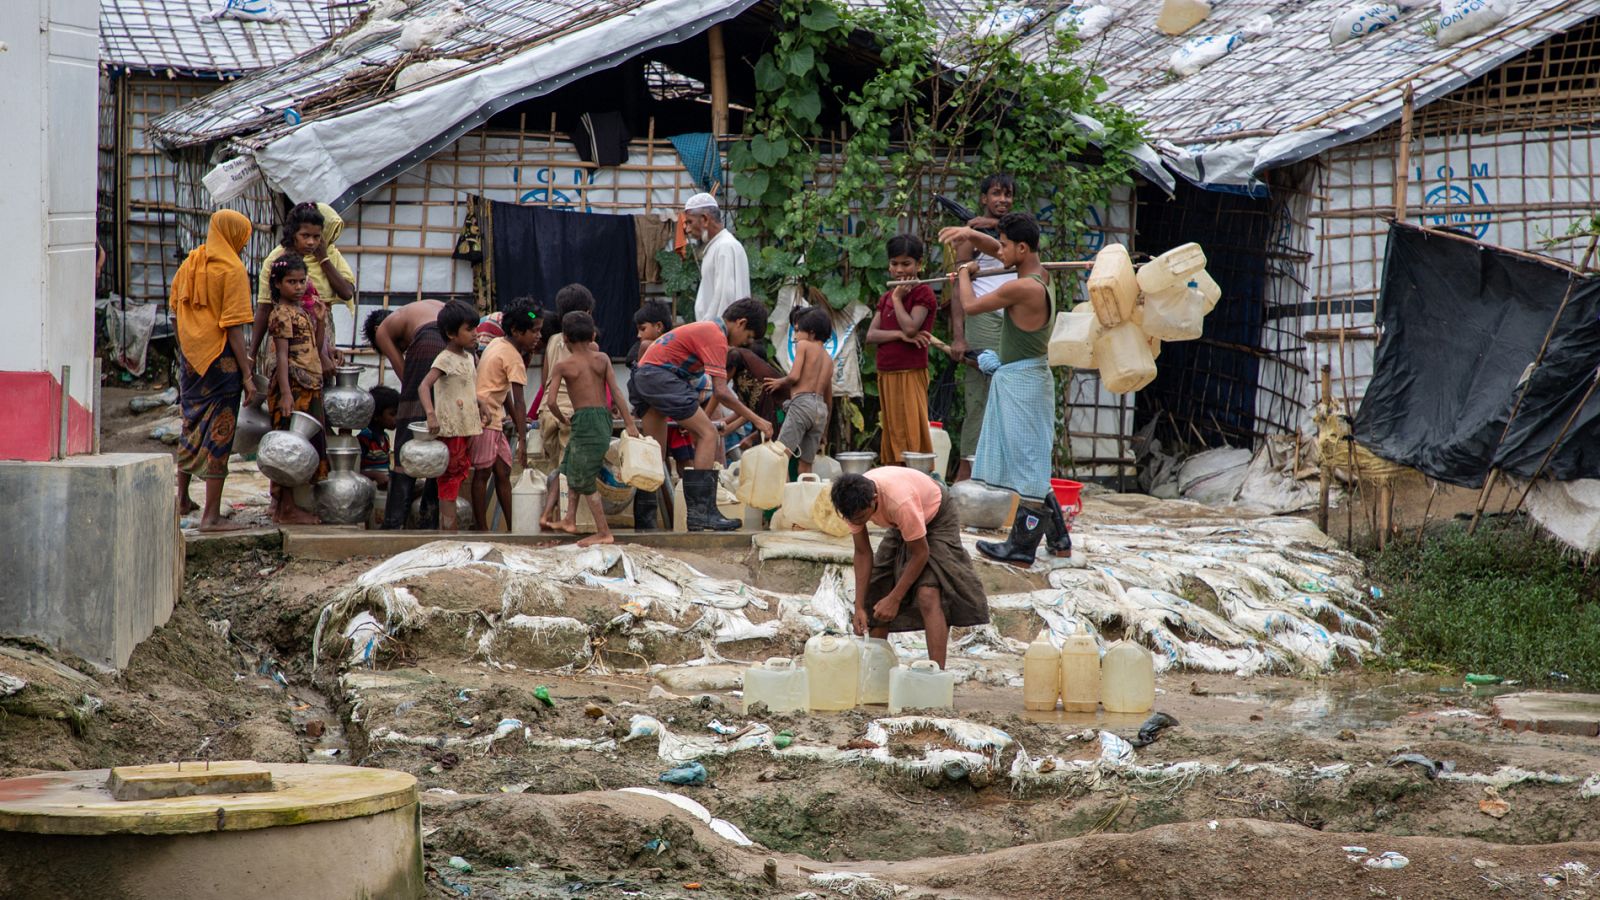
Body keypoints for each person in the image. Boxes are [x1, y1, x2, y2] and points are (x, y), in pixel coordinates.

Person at [940, 212, 1072, 565]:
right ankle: (1059, 540)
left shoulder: (1021, 287)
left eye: (1007, 246)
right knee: (1030, 463)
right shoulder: (1038, 274)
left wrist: (965, 272)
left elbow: (968, 305)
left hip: (1024, 382)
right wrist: (971, 233)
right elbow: (996, 247)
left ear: (1023, 247)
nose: (999, 253)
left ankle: (1021, 548)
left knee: (1029, 467)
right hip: (1023, 375)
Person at [630, 298, 773, 530]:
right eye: (747, 338)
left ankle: (645, 523)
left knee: (654, 452)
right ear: (741, 323)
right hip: (659, 378)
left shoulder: (706, 329)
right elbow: (721, 391)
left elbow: (708, 390)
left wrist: (696, 418)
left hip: (645, 378)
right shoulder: (716, 335)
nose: (745, 344)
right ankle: (701, 513)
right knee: (709, 434)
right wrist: (757, 419)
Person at [831, 469, 989, 669]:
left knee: (928, 593)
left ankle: (935, 674)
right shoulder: (850, 503)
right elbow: (862, 553)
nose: (857, 523)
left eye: (862, 517)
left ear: (874, 499)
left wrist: (895, 599)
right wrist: (859, 607)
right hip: (902, 522)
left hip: (936, 516)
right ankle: (875, 674)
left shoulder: (899, 502)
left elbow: (921, 553)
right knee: (877, 590)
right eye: (852, 519)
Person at [172, 209, 258, 531]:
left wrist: (191, 344)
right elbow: (234, 327)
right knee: (220, 432)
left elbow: (175, 310)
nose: (244, 247)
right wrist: (248, 375)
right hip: (220, 361)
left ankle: (182, 499)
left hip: (191, 360)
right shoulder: (231, 269)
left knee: (190, 423)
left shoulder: (192, 262)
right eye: (243, 240)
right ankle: (210, 516)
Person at [544, 311, 641, 546]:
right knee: (570, 465)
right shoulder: (603, 359)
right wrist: (629, 423)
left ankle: (604, 531)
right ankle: (569, 519)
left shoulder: (562, 365)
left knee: (585, 477)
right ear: (593, 335)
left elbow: (551, 401)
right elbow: (617, 392)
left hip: (583, 420)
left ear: (564, 338)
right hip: (601, 418)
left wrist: (562, 418)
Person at [944, 174, 1015, 482]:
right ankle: (966, 474)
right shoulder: (967, 235)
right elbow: (960, 289)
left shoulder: (1016, 231)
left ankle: (1003, 477)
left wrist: (987, 228)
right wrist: (959, 337)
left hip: (1015, 319)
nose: (1003, 200)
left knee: (1013, 394)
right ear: (984, 198)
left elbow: (1010, 251)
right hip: (982, 319)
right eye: (996, 194)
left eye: (1008, 194)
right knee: (980, 399)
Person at [367, 299, 446, 529]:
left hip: (432, 339)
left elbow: (407, 380)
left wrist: (418, 405)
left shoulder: (382, 332)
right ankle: (429, 519)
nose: (403, 351)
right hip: (458, 339)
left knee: (409, 419)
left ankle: (394, 521)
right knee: (440, 427)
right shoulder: (419, 309)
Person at [266, 254, 332, 525]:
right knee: (289, 447)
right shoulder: (281, 313)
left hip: (310, 383)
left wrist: (320, 322)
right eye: (291, 282)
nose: (298, 286)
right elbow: (282, 356)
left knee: (304, 446)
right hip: (292, 386)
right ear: (278, 284)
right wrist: (286, 394)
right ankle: (286, 508)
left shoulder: (301, 311)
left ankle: (287, 507)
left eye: (301, 281)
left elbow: (314, 349)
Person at [253, 202, 356, 368]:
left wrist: (323, 258)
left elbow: (347, 292)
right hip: (286, 334)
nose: (311, 242)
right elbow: (264, 309)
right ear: (294, 234)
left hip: (320, 332)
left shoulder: (330, 254)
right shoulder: (277, 261)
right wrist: (252, 355)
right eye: (305, 235)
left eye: (316, 237)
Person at [470, 299, 543, 531]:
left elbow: (507, 396)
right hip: (486, 419)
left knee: (502, 472)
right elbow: (520, 401)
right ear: (516, 331)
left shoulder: (499, 344)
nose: (538, 336)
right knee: (482, 474)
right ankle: (482, 529)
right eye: (534, 331)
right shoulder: (513, 358)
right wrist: (523, 440)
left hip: (492, 418)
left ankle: (513, 528)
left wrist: (516, 418)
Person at [867, 233, 937, 466]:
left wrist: (898, 300)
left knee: (911, 429)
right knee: (893, 431)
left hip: (910, 372)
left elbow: (910, 328)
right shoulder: (886, 296)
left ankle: (915, 475)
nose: (899, 270)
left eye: (906, 264)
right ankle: (894, 474)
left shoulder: (922, 293)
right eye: (894, 263)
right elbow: (871, 335)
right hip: (886, 373)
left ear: (919, 264)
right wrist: (897, 335)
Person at [417, 300, 487, 532]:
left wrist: (481, 404)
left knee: (458, 475)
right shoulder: (445, 359)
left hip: (466, 425)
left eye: (475, 328)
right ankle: (449, 530)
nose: (475, 334)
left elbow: (466, 388)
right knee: (450, 477)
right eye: (469, 329)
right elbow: (424, 386)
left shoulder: (468, 358)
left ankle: (449, 529)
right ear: (450, 333)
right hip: (451, 427)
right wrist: (430, 414)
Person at [536, 284, 596, 530]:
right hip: (570, 413)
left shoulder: (551, 340)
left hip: (547, 412)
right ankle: (570, 521)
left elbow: (544, 381)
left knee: (557, 468)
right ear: (586, 314)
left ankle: (550, 519)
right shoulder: (588, 346)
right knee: (574, 471)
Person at [764, 306, 833, 476]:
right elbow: (829, 400)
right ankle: (805, 500)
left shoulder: (804, 345)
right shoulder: (829, 360)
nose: (795, 337)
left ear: (811, 333)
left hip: (802, 404)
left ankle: (782, 501)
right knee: (806, 466)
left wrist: (779, 382)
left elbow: (794, 376)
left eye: (797, 331)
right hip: (820, 411)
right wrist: (824, 431)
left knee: (780, 456)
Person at [684, 193, 750, 323]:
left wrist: (715, 332)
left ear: (705, 219)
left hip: (719, 334)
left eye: (690, 222)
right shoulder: (717, 245)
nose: (687, 229)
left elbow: (727, 297)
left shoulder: (725, 246)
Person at [359, 386, 400, 490]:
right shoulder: (365, 438)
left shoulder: (385, 438)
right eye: (392, 414)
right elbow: (354, 471)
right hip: (367, 489)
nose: (397, 418)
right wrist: (376, 475)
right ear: (376, 415)